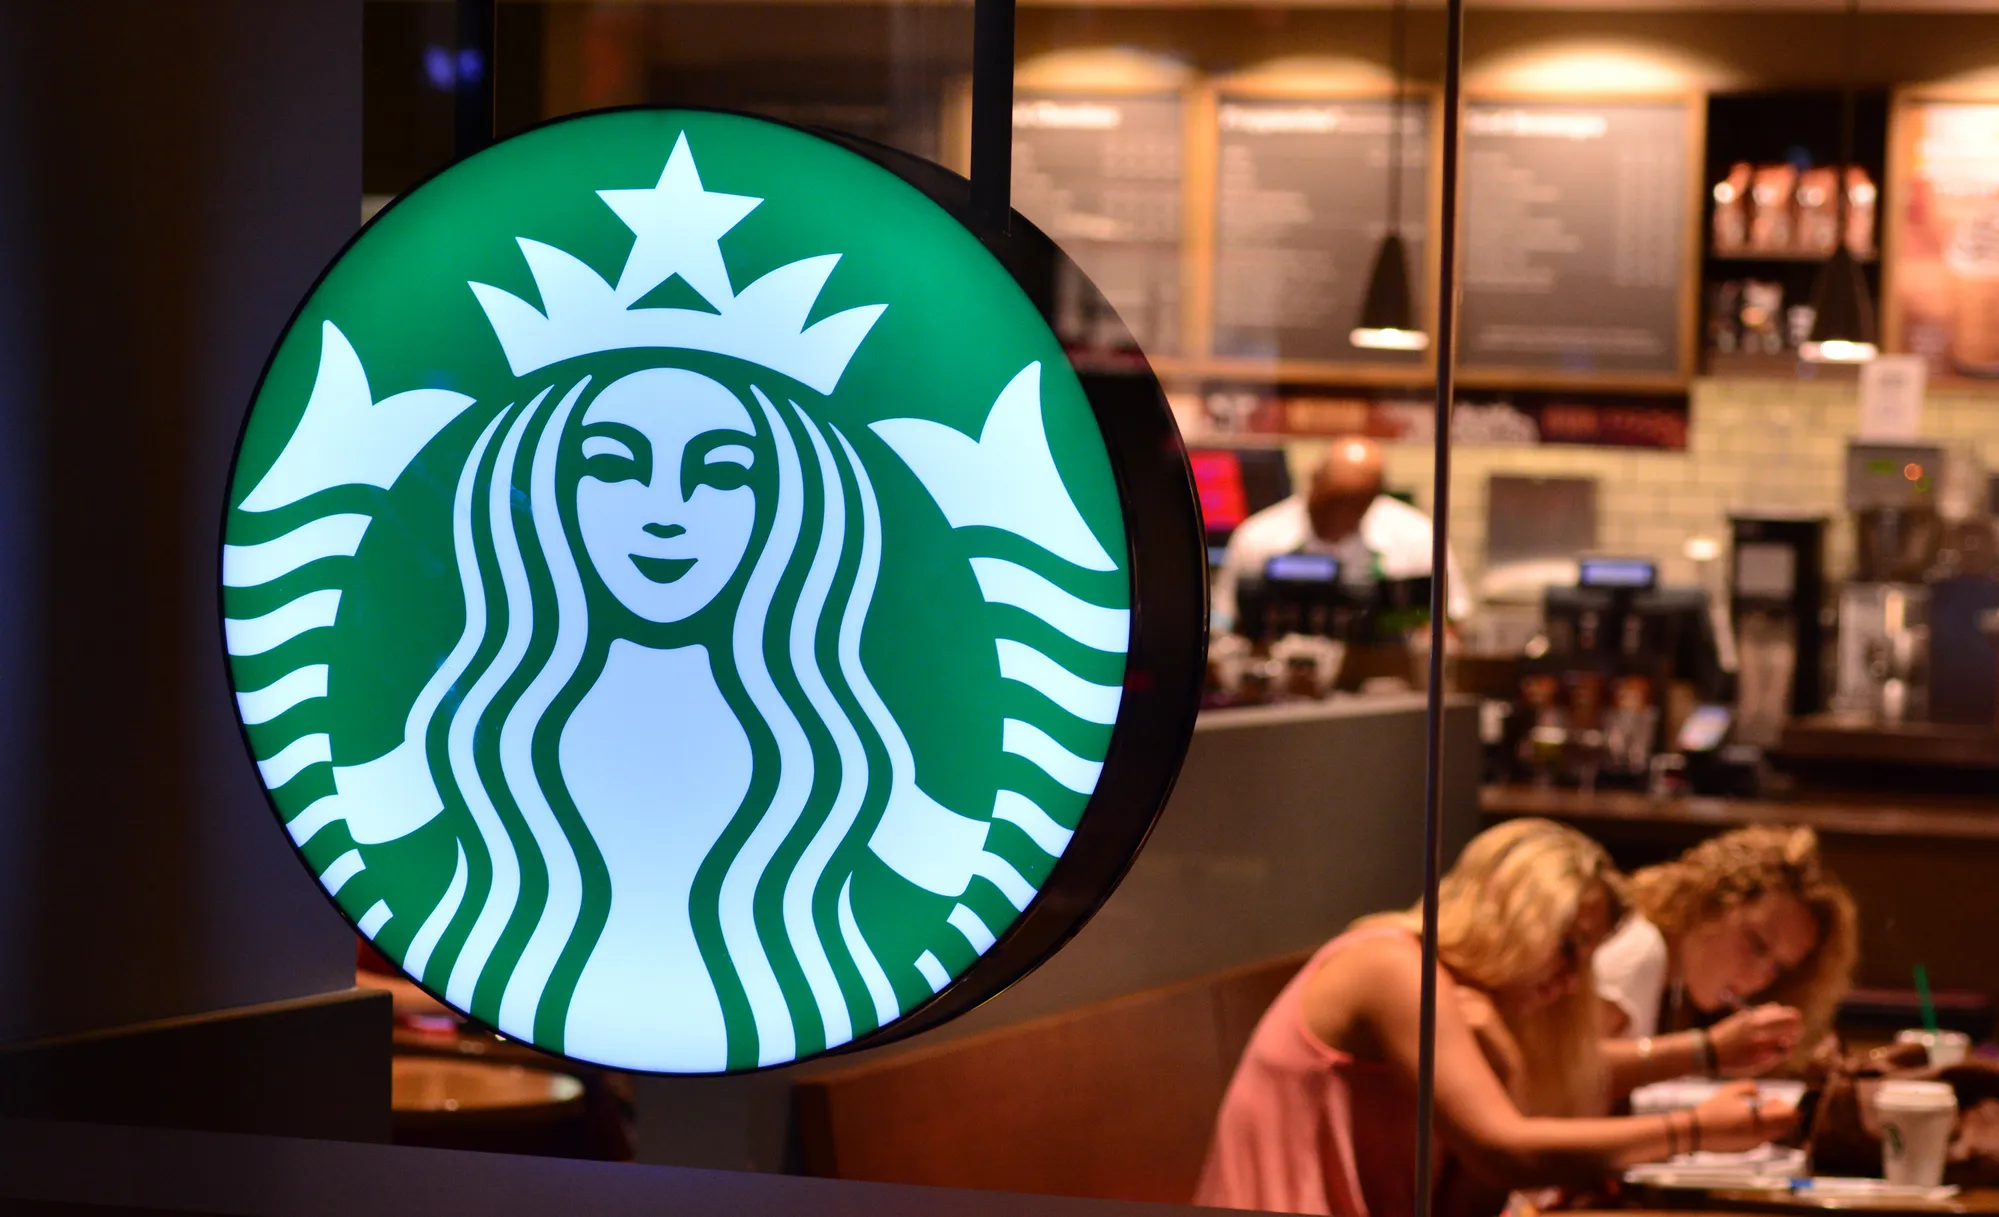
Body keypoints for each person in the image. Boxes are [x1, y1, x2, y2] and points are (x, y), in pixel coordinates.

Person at [1196, 819, 1794, 1217]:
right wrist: (1693, 1130)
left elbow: (1465, 1206)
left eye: (1583, 963)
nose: (1567, 983)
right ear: (1516, 909)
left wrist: (1506, 1070)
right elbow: (1504, 1151)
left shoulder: (1464, 999)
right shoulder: (1390, 966)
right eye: (1565, 946)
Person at [1593, 825, 1859, 1096]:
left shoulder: (1672, 983)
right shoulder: (1639, 946)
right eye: (1757, 944)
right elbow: (1567, 1072)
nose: (1758, 978)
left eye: (1778, 967)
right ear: (1712, 899)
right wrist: (1708, 1051)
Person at [1211, 435, 1473, 635]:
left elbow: (1450, 625)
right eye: (1331, 501)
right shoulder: (1259, 538)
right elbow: (1226, 623)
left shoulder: (1416, 539)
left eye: (1353, 503)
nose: (1338, 515)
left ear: (1375, 496)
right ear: (1313, 480)